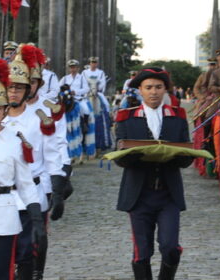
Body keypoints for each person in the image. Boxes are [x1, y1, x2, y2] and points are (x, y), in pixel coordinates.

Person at [115, 67, 193, 279]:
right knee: (142, 252)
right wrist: (140, 153)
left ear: (166, 89)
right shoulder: (125, 117)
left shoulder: (178, 117)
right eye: (148, 87)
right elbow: (119, 158)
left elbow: (187, 158)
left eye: (159, 87)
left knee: (170, 247)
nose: (154, 92)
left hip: (168, 194)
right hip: (139, 194)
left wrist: (176, 153)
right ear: (139, 90)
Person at [0, 54, 45, 280]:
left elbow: (25, 183)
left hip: (3, 216)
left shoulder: (16, 140)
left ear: (5, 108)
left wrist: (36, 217)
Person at [5, 44, 66, 279]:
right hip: (0, 196)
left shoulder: (43, 115)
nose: (16, 92)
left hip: (33, 190)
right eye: (11, 87)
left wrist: (57, 190)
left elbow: (53, 154)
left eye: (22, 87)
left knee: (28, 251)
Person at [82, 56, 112, 154]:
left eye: (95, 62)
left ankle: (108, 118)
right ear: (89, 63)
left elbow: (103, 83)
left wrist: (98, 89)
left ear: (97, 63)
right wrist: (88, 90)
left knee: (106, 105)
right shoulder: (84, 73)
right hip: (87, 93)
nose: (93, 64)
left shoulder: (100, 72)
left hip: (98, 92)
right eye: (92, 62)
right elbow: (83, 83)